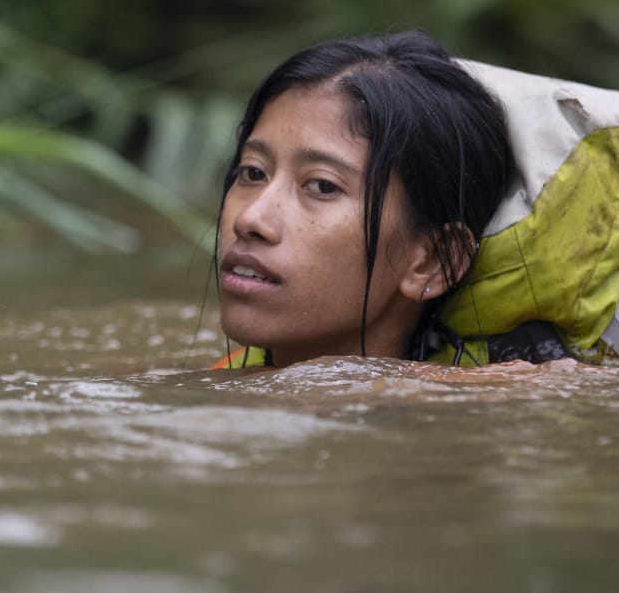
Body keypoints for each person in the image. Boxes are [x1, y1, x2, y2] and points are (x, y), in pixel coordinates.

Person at [215, 31, 516, 368]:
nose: (250, 219)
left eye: (322, 186)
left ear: (429, 262)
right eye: (253, 173)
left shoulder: (478, 408)